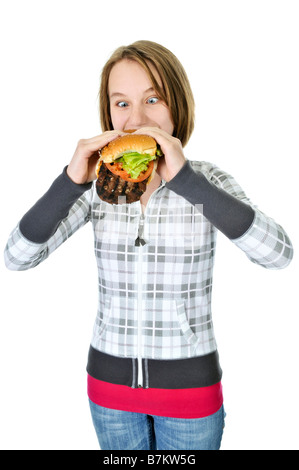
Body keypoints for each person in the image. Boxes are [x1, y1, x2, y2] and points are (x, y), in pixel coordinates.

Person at [4, 40, 293, 451]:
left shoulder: (208, 181)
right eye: (121, 103)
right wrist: (70, 182)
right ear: (108, 113)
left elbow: (278, 254)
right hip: (109, 394)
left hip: (191, 395)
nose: (136, 119)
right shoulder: (96, 188)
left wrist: (188, 182)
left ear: (176, 104)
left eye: (152, 99)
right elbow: (16, 257)